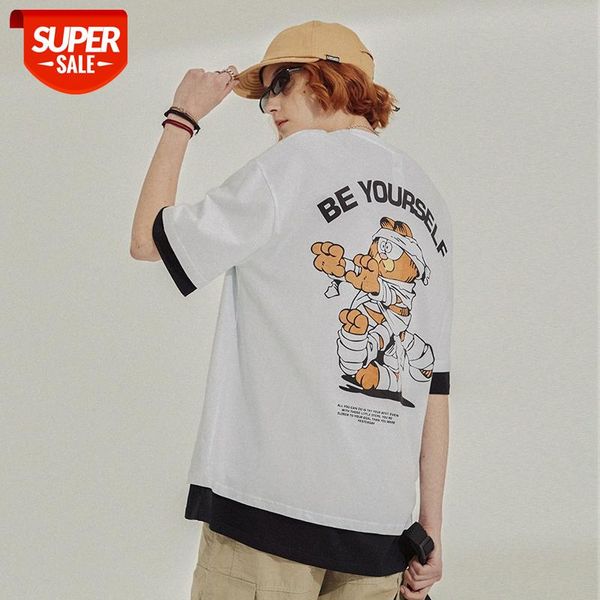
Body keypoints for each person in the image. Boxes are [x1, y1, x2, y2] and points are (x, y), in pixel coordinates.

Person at [130, 20, 452, 600]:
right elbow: (434, 382)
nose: (270, 106)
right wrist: (430, 527)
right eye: (264, 96)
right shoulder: (428, 198)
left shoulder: (293, 164)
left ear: (331, 77)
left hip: (268, 515)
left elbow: (150, 240)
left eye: (281, 82)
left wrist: (182, 117)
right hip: (381, 532)